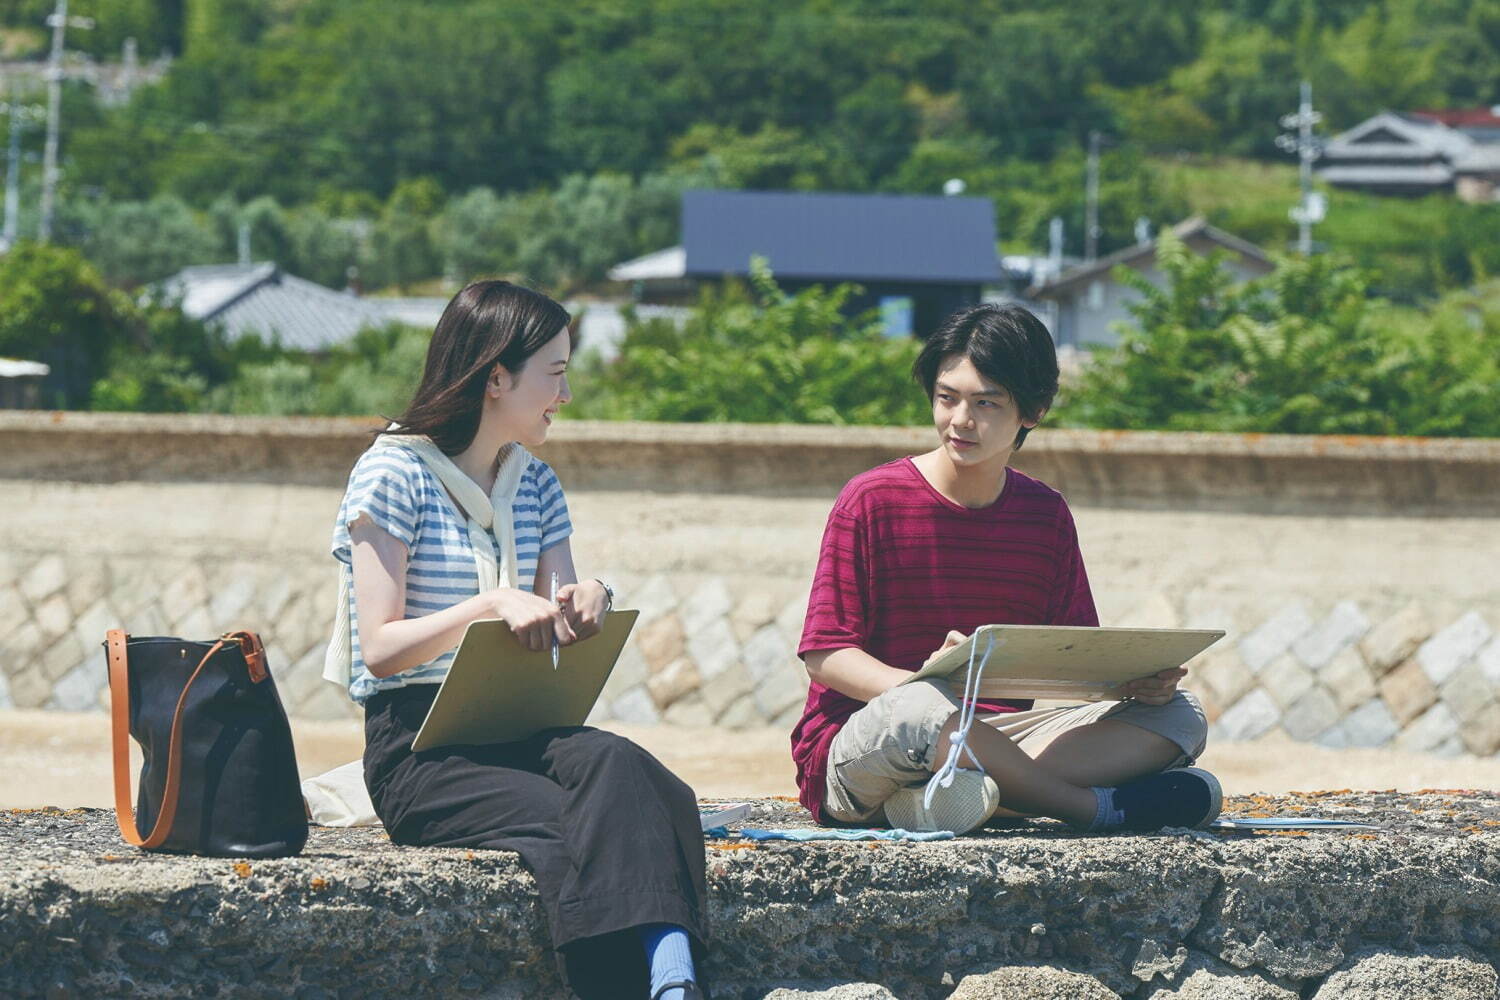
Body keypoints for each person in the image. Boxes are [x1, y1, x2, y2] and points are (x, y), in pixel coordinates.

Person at [328, 280, 707, 1000]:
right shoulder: (391, 472)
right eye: (555, 375)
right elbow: (378, 648)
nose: (564, 395)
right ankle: (665, 979)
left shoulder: (536, 485)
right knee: (589, 824)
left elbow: (556, 620)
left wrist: (588, 598)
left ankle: (673, 981)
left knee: (624, 767)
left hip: (521, 727)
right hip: (420, 750)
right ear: (496, 377)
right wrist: (488, 604)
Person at [791, 302, 1221, 835]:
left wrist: (1134, 684)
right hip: (873, 739)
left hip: (994, 737)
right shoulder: (871, 499)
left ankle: (957, 801)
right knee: (922, 710)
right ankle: (1092, 808)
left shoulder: (1046, 515)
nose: (959, 420)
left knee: (1180, 716)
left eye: (985, 403)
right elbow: (826, 654)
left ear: (1033, 411)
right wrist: (923, 683)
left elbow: (1071, 657)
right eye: (947, 398)